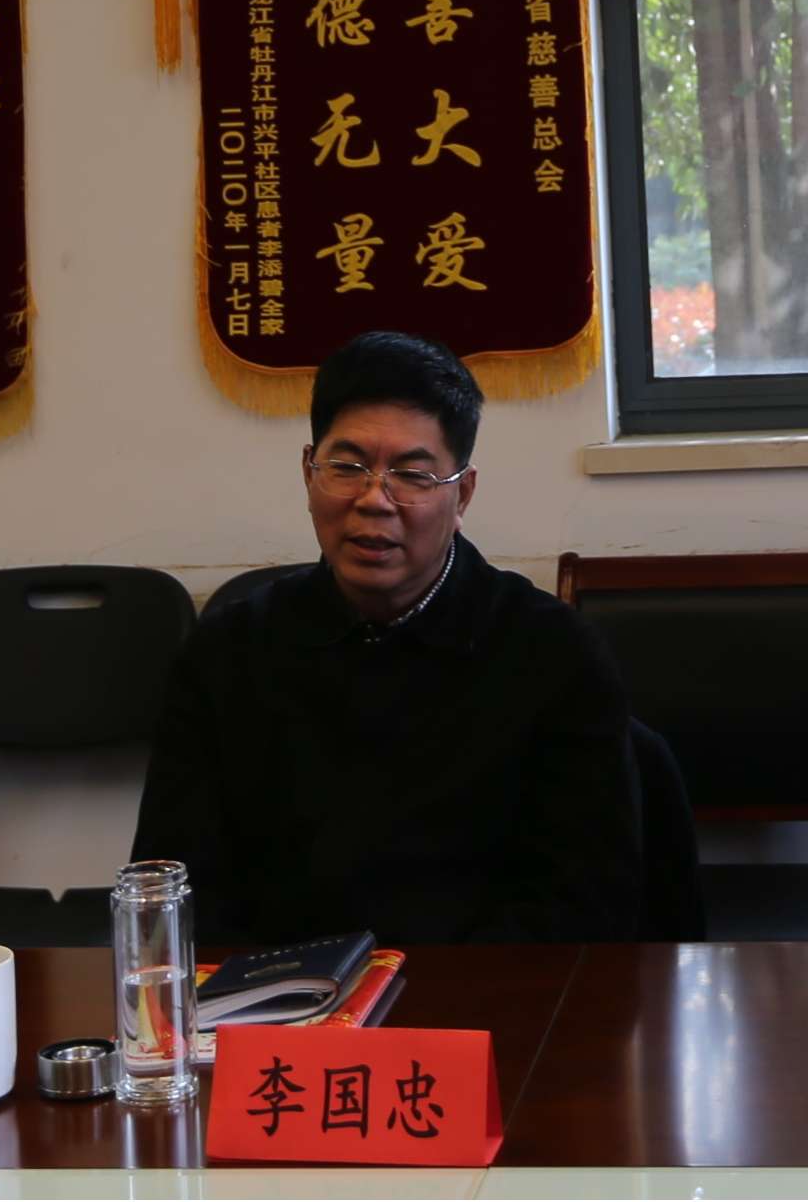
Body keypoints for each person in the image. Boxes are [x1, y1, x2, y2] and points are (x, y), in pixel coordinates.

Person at [131, 331, 642, 943]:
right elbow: (176, 892)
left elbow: (588, 901)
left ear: (462, 494)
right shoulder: (227, 653)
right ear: (308, 473)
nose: (375, 500)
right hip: (278, 992)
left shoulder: (551, 652)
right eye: (347, 468)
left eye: (413, 475)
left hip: (481, 990)